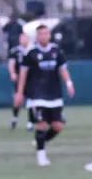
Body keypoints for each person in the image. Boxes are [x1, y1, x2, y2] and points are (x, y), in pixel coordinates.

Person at [15, 24, 75, 167]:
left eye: (46, 33)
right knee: (40, 125)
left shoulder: (56, 51)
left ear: (49, 35)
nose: (44, 36)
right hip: (36, 95)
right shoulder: (31, 53)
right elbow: (23, 74)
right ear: (37, 37)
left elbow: (63, 69)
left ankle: (39, 142)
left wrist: (69, 83)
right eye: (41, 34)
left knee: (58, 126)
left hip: (54, 95)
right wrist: (19, 93)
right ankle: (41, 156)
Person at [7, 31, 30, 129]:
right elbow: (11, 64)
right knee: (17, 99)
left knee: (32, 100)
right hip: (19, 78)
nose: (23, 39)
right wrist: (12, 73)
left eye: (25, 37)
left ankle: (30, 122)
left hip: (31, 78)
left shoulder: (32, 50)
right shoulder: (15, 51)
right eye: (22, 37)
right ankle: (15, 118)